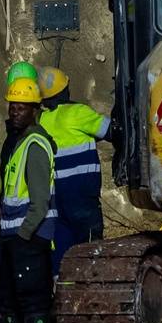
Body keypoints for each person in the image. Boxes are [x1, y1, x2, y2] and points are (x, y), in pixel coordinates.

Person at [0, 76, 57, 323]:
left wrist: (23, 234)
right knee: (10, 296)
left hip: (28, 237)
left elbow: (39, 202)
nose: (14, 112)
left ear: (34, 110)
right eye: (12, 107)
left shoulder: (34, 145)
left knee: (32, 298)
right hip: (15, 235)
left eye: (21, 108)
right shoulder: (19, 142)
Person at [36, 67, 114, 276]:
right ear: (65, 89)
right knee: (89, 246)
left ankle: (62, 289)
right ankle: (91, 285)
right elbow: (111, 131)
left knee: (61, 245)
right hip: (81, 195)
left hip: (54, 196)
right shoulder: (78, 113)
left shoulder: (41, 122)